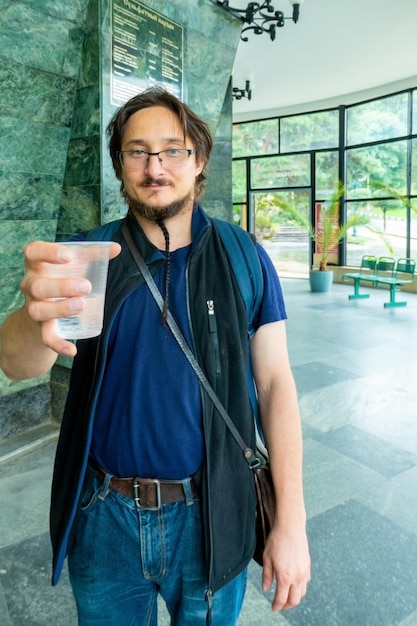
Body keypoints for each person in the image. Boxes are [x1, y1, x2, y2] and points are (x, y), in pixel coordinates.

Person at [0, 87, 310, 625]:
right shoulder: (89, 258)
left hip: (213, 512)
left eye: (173, 149)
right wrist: (33, 315)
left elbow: (275, 385)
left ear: (199, 160)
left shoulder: (244, 258)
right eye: (137, 151)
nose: (155, 166)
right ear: (120, 167)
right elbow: (18, 363)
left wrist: (291, 522)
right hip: (104, 518)